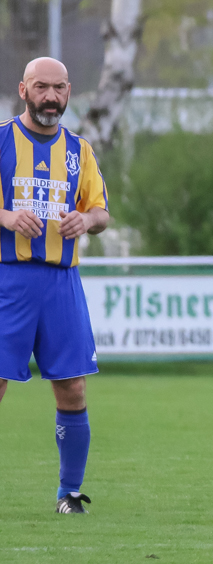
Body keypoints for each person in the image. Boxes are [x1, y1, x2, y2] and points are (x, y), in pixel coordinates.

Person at [0, 57, 110, 515]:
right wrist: (5, 215)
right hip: (9, 280)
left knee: (72, 389)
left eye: (59, 88)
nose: (50, 97)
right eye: (41, 87)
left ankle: (69, 493)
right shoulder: (2, 141)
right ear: (24, 90)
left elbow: (102, 213)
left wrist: (85, 219)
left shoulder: (79, 151)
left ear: (69, 92)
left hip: (63, 283)